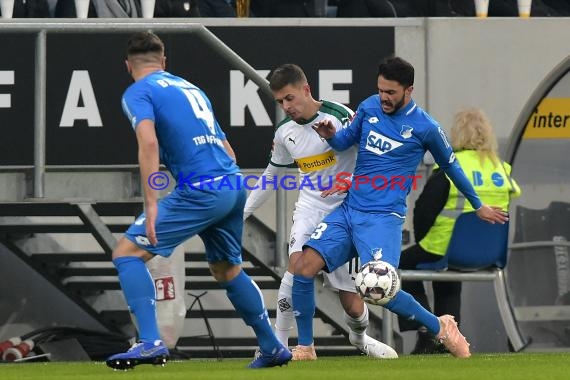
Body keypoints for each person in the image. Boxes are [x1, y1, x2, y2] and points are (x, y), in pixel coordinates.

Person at [291, 56, 509, 359]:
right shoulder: (368, 107)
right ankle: (306, 347)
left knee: (381, 290)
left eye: (391, 92)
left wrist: (478, 205)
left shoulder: (426, 127)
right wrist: (331, 137)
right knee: (303, 267)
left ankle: (441, 327)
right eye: (380, 90)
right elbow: (345, 142)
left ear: (409, 90)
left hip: (383, 220)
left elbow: (452, 167)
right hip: (349, 210)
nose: (383, 98)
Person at [105, 31, 291, 370]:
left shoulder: (138, 91)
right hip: (232, 182)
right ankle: (271, 345)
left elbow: (148, 144)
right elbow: (226, 148)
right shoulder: (191, 88)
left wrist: (151, 204)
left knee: (127, 253)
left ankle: (149, 342)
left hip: (202, 188)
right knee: (226, 268)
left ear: (128, 66)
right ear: (164, 61)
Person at [244, 64, 398, 360]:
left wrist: (353, 182)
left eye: (289, 98)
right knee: (296, 267)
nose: (286, 107)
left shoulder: (341, 117)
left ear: (306, 89)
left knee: (352, 303)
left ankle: (359, 336)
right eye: (279, 102)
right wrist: (242, 213)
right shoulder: (285, 133)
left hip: (345, 211)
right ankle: (286, 345)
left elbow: (374, 157)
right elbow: (272, 175)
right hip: (310, 208)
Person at [398, 108, 521, 354]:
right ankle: (447, 340)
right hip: (489, 252)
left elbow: (423, 210)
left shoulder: (451, 166)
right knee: (449, 275)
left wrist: (424, 239)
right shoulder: (502, 169)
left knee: (398, 263)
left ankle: (427, 329)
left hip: (445, 246)